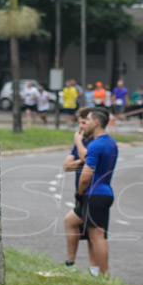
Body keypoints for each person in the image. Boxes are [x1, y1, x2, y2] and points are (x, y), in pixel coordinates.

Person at [76, 108, 118, 277]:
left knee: (97, 236)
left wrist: (80, 192)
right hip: (106, 190)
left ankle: (103, 274)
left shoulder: (95, 145)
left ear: (97, 122)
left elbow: (86, 176)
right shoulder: (111, 143)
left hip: (94, 193)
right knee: (75, 222)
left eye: (89, 120)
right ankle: (97, 272)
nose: (86, 123)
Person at [62, 107, 92, 267]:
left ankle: (93, 268)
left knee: (92, 231)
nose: (80, 127)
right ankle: (71, 262)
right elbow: (66, 166)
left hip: (91, 192)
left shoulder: (93, 141)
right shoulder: (81, 142)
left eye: (83, 122)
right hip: (80, 193)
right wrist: (81, 162)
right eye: (79, 122)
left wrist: (79, 145)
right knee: (79, 226)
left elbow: (88, 158)